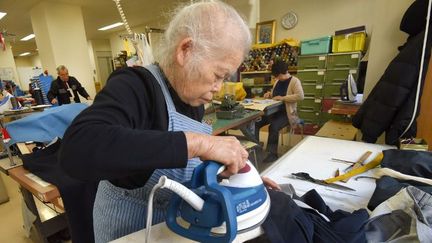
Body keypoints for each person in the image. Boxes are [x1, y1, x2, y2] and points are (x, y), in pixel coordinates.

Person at [59, 1, 279, 242]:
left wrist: (233, 188)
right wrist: (200, 144)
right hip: (131, 233)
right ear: (185, 50)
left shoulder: (192, 99)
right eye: (218, 75)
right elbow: (77, 149)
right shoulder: (135, 86)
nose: (218, 87)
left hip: (176, 228)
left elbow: (175, 167)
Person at [262, 60, 304, 163]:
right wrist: (269, 94)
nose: (276, 78)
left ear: (280, 73)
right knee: (257, 122)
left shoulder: (294, 81)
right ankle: (256, 148)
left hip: (288, 114)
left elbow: (300, 96)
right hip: (274, 112)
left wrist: (283, 98)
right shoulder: (277, 82)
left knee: (273, 127)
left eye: (276, 76)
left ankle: (272, 154)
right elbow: (275, 95)